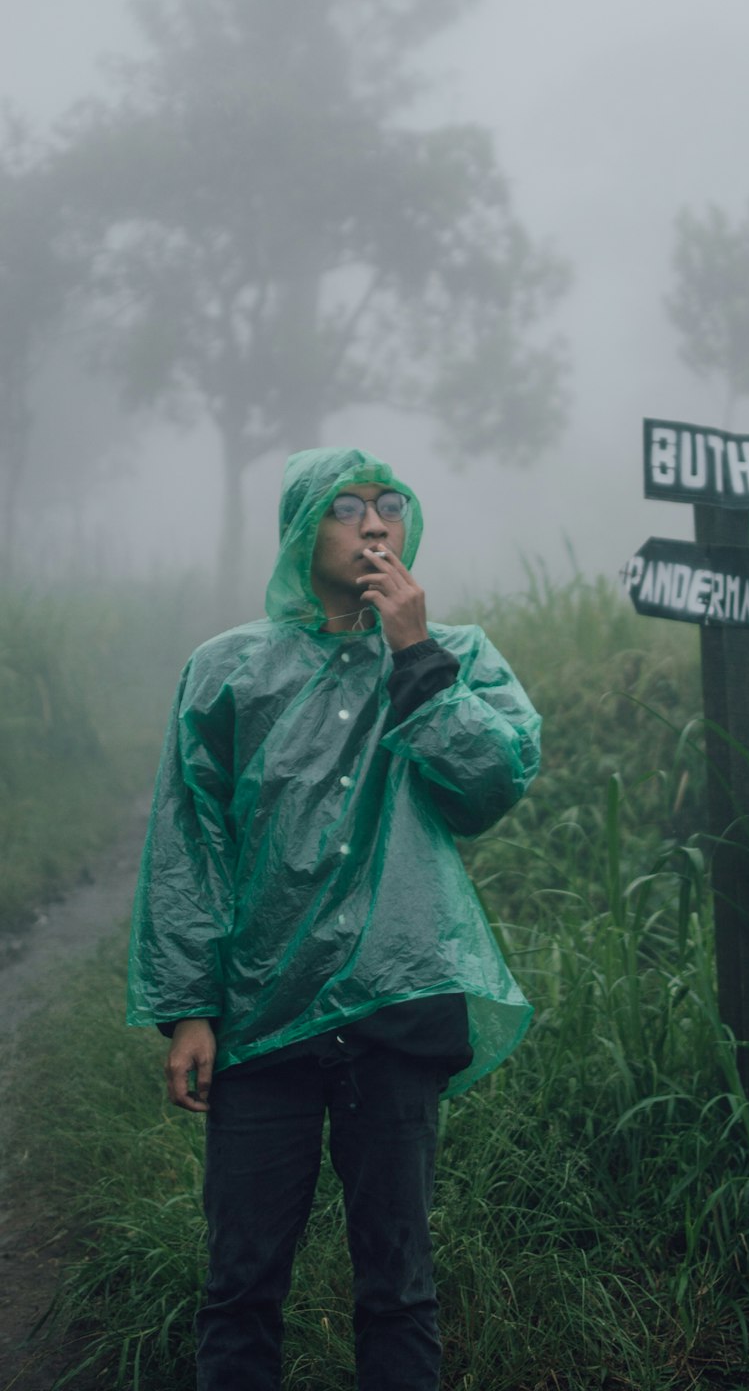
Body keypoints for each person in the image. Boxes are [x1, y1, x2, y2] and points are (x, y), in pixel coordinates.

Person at [127, 446, 540, 1391]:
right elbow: (191, 846)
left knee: (398, 1288)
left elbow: (487, 786)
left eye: (390, 505)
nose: (376, 523)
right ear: (300, 528)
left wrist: (415, 657)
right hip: (260, 1019)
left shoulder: (455, 654)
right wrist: (189, 1008)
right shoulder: (228, 670)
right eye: (347, 507)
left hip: (397, 1012)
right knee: (241, 1284)